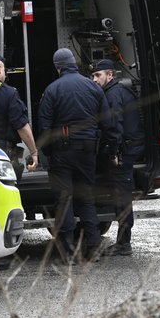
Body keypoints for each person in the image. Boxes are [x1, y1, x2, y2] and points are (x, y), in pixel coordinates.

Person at [39, 47, 119, 262]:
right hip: (87, 151)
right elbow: (109, 124)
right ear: (74, 63)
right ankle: (93, 249)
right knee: (86, 199)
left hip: (62, 153)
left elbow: (44, 127)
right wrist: (107, 150)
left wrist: (48, 153)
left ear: (58, 67)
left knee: (64, 200)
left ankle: (69, 253)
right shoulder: (94, 88)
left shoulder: (52, 90)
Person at [91, 59, 144, 256]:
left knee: (122, 197)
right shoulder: (117, 91)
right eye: (93, 76)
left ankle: (124, 243)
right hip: (128, 148)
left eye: (98, 75)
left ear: (110, 75)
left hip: (123, 152)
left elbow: (115, 128)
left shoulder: (113, 95)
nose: (95, 80)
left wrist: (113, 153)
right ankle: (122, 242)